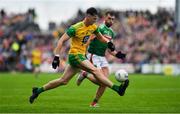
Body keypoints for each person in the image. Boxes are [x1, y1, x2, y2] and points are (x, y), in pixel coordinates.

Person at [29, 7, 129, 104]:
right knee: (95, 70)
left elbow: (101, 37)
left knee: (63, 81)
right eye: (94, 18)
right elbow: (61, 40)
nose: (95, 21)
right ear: (88, 16)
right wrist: (56, 57)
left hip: (81, 56)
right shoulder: (75, 28)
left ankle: (37, 91)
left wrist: (108, 43)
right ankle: (118, 89)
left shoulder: (93, 27)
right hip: (75, 55)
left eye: (96, 19)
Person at [76, 11, 127, 107]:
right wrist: (83, 52)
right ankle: (85, 74)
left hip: (102, 57)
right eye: (109, 18)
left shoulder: (111, 32)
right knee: (102, 80)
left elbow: (109, 49)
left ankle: (94, 102)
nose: (111, 21)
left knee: (105, 81)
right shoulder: (99, 28)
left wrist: (118, 55)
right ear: (105, 18)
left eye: (113, 19)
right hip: (93, 55)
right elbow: (89, 39)